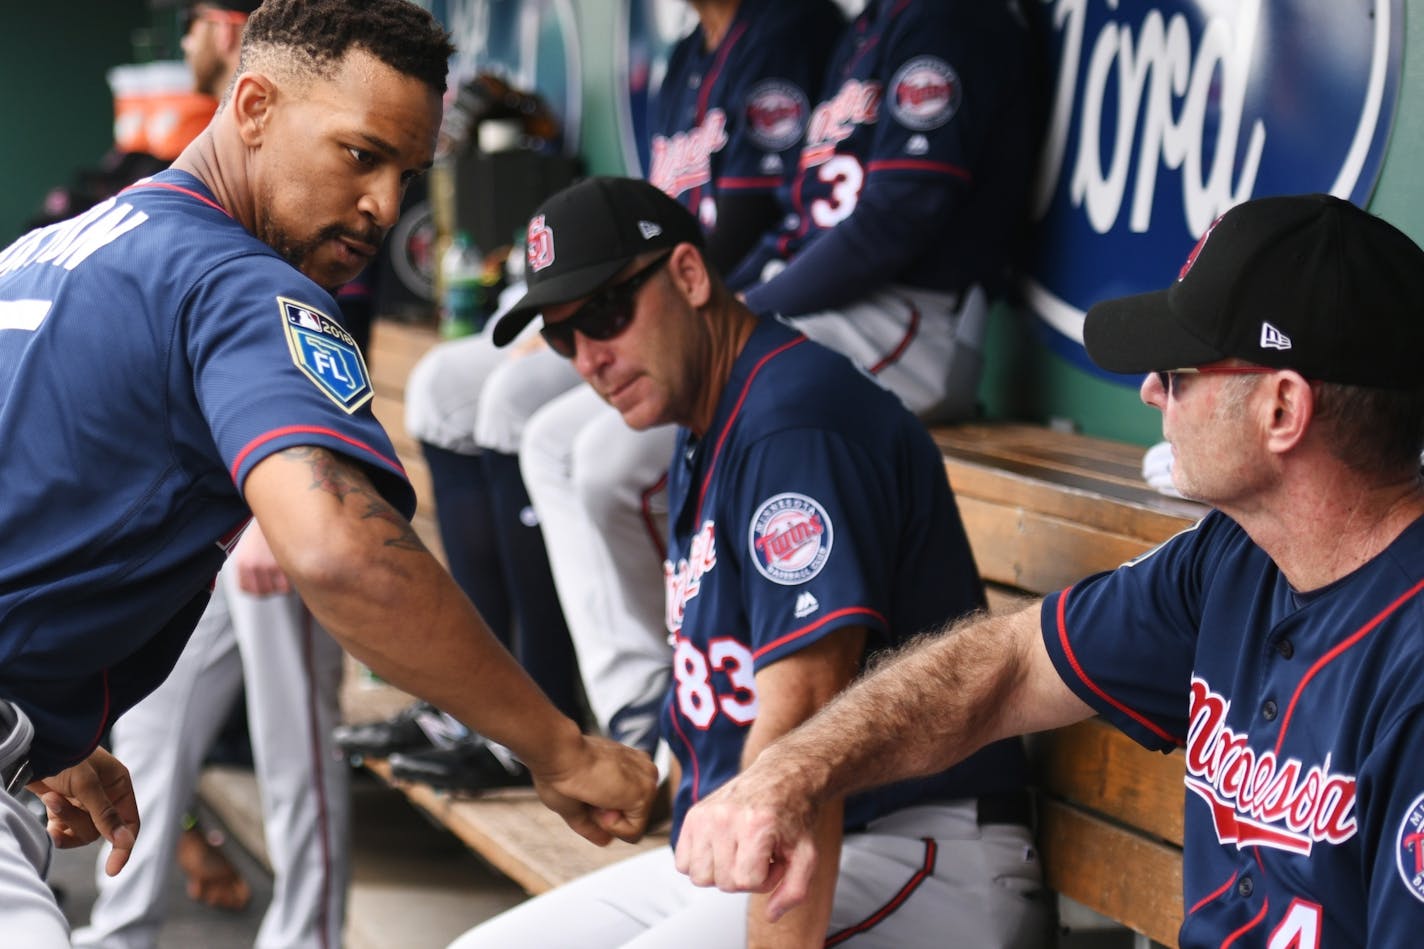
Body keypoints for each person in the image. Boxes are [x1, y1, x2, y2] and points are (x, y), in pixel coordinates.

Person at [0, 3, 656, 945]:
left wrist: (47, 724)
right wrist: (560, 749)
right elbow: (346, 554)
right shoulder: (233, 279)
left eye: (408, 173)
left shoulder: (45, 253)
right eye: (360, 155)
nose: (388, 205)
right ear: (255, 106)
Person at [671, 193, 1424, 948]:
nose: (1150, 391)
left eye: (1178, 369)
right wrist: (796, 771)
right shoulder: (1230, 558)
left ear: (1282, 410)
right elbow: (1008, 664)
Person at [447, 176, 1050, 948]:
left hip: (915, 848)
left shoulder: (792, 422)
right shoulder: (710, 414)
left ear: (691, 276)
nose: (591, 357)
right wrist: (654, 787)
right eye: (565, 338)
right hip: (771, 840)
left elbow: (806, 727)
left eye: (606, 312)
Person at [516, 0, 1039, 786]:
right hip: (828, 301)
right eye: (569, 336)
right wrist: (739, 295)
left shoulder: (946, 20)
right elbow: (795, 220)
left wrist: (743, 310)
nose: (587, 354)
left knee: (611, 453)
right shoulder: (861, 31)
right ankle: (650, 712)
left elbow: (902, 215)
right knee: (562, 439)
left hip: (911, 308)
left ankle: (673, 716)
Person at [396, 0, 845, 763]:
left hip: (726, 296)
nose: (581, 351)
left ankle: (556, 701)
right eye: (572, 335)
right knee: (445, 385)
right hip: (666, 283)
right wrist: (574, 313)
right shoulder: (683, 58)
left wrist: (634, 301)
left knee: (543, 423)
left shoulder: (790, 29)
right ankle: (497, 701)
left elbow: (733, 221)